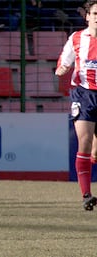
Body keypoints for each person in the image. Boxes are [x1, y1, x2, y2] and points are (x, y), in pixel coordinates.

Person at [55, 0, 97, 211]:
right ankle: (86, 195)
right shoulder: (77, 38)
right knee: (85, 141)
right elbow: (64, 62)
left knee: (95, 152)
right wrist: (61, 69)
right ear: (87, 16)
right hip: (83, 94)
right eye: (96, 13)